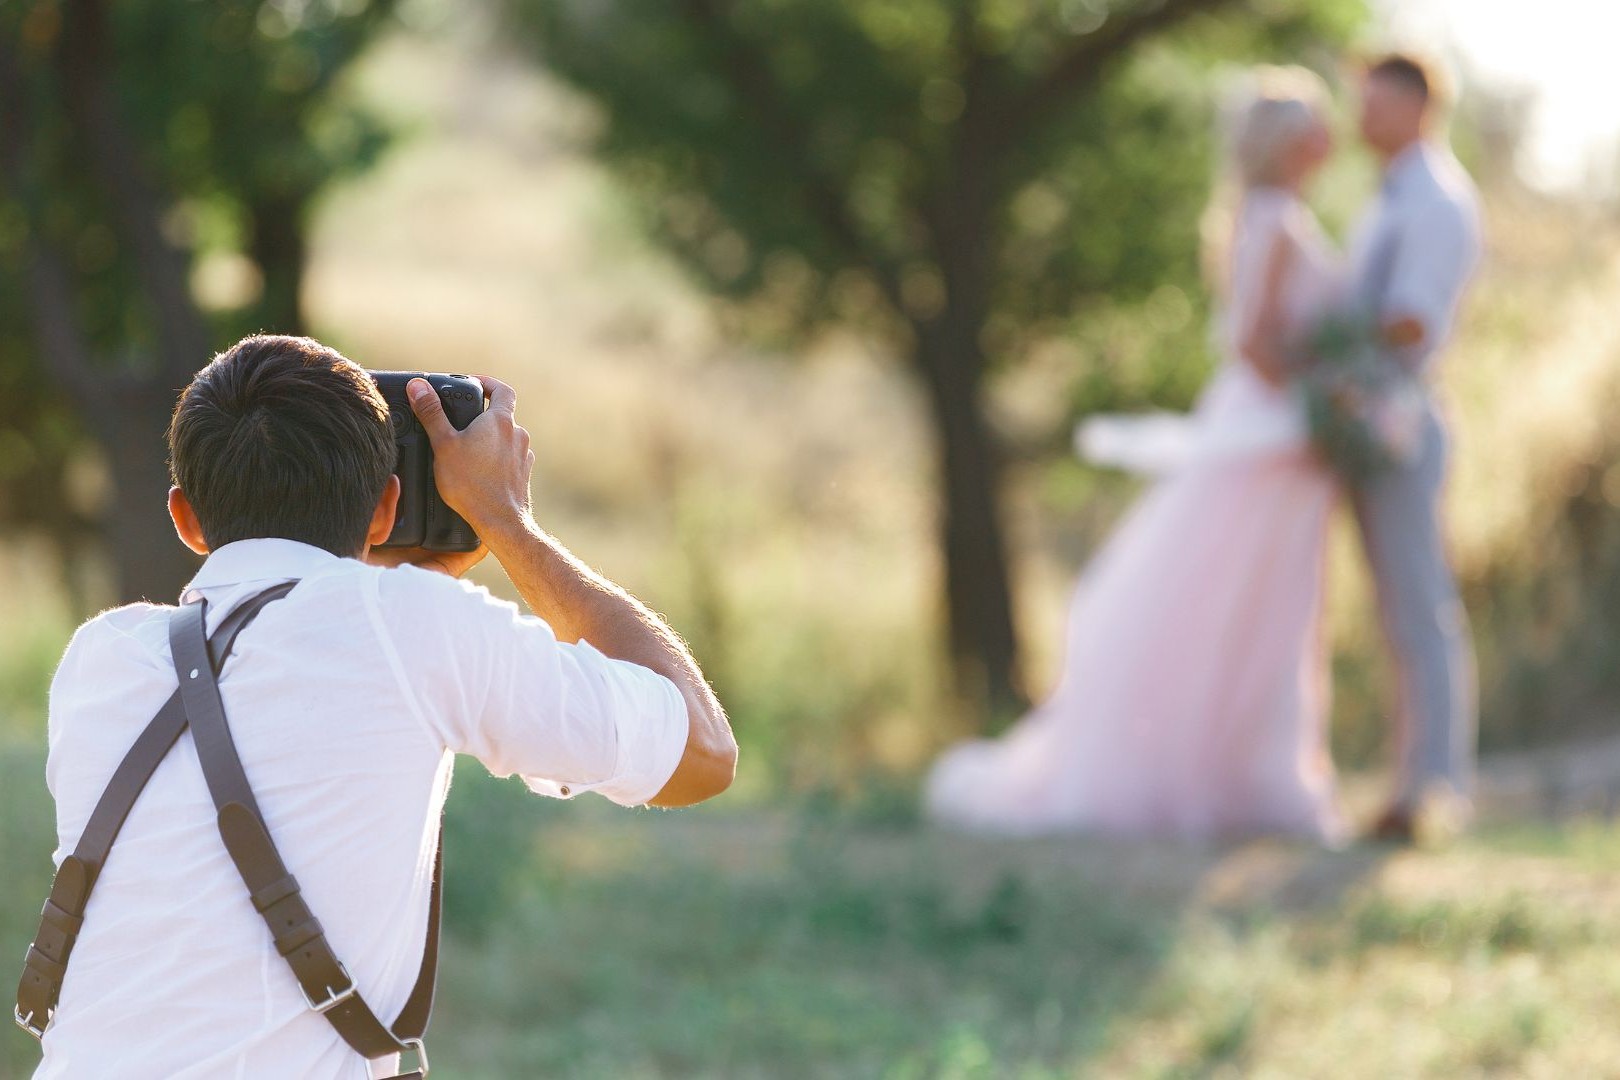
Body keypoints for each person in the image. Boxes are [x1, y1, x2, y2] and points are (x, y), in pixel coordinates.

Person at [29, 335, 736, 1077]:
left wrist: (398, 592)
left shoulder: (99, 659)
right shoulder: (413, 625)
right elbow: (701, 756)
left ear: (187, 519)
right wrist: (505, 522)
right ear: (387, 505)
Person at [925, 68, 1347, 841]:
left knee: (1253, 607)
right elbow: (1252, 340)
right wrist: (1324, 394)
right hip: (1271, 433)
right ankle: (1220, 775)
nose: (1327, 140)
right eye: (1313, 126)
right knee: (1238, 602)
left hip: (1268, 433)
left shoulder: (1259, 215)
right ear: (1286, 143)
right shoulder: (1277, 218)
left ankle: (1241, 769)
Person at [1349, 54, 1483, 843]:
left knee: (1419, 605)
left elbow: (1410, 320)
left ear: (1418, 105)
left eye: (1375, 102)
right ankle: (1410, 781)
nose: (1361, 116)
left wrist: (1317, 339)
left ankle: (1434, 787)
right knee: (1398, 609)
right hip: (1369, 411)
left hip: (1399, 416)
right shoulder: (1391, 192)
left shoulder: (1436, 199)